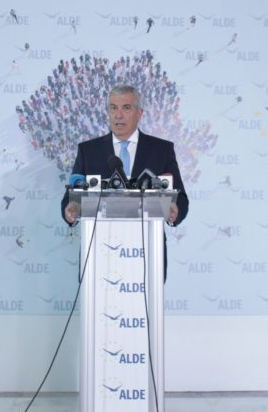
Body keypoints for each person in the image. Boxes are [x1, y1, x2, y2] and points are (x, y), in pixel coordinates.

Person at [60, 84, 189, 275]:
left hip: (148, 253)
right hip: (99, 253)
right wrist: (70, 210)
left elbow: (181, 198)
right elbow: (70, 197)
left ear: (139, 113)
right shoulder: (88, 150)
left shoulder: (162, 150)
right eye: (113, 108)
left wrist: (175, 211)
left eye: (126, 108)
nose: (118, 115)